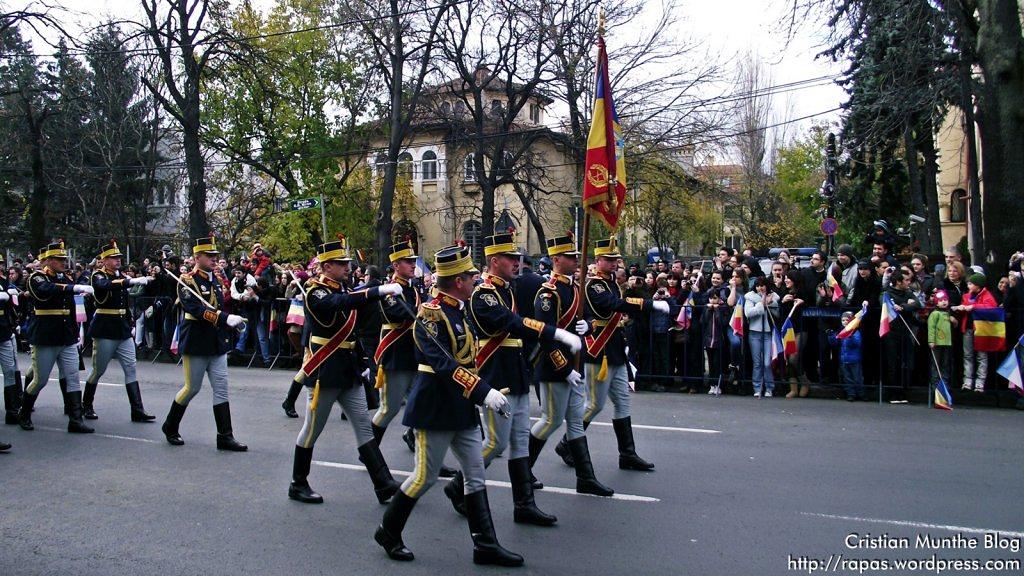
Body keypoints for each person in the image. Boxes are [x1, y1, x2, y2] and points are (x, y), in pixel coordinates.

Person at [374, 244, 524, 567]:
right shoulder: (430, 316)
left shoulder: (461, 309)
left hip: (461, 407)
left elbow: (469, 357)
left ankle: (485, 544)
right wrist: (484, 392)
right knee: (424, 477)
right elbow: (444, 365)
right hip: (436, 408)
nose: (474, 279)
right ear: (458, 281)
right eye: (470, 276)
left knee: (474, 474)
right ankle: (388, 530)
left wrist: (482, 390)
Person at [446, 232, 580, 527]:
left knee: (519, 440)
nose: (516, 262)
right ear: (495, 262)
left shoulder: (507, 291)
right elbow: (511, 323)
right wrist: (552, 332)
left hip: (515, 370)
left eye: (516, 258)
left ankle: (525, 505)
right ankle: (458, 486)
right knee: (495, 442)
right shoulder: (483, 295)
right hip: (496, 371)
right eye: (509, 258)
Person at [287, 235, 404, 505]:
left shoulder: (342, 288)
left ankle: (383, 483)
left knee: (363, 424)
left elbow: (353, 322)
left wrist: (363, 363)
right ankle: (298, 482)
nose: (347, 267)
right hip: (325, 370)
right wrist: (376, 291)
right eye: (341, 263)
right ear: (326, 266)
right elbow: (338, 305)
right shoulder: (316, 291)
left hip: (348, 368)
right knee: (312, 428)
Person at [528, 235, 613, 496]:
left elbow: (586, 315)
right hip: (555, 367)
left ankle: (585, 477)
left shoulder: (575, 288)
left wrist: (587, 324)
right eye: (571, 256)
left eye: (577, 256)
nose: (577, 260)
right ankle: (523, 470)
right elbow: (545, 335)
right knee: (551, 421)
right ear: (556, 260)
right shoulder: (547, 292)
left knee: (576, 421)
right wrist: (565, 369)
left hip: (575, 363)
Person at [576, 237, 669, 471]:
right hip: (599, 349)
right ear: (598, 260)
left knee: (622, 400)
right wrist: (649, 305)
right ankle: (568, 443)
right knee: (594, 404)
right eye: (608, 259)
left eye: (615, 259)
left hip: (614, 348)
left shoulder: (611, 282)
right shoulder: (594, 284)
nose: (614, 262)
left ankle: (627, 454)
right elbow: (613, 304)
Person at [160, 236, 248, 450]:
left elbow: (218, 304)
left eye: (215, 255)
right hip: (196, 339)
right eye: (209, 256)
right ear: (196, 257)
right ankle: (170, 425)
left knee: (221, 388)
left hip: (215, 340)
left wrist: (228, 320)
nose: (214, 259)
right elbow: (196, 310)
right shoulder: (187, 281)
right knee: (192, 387)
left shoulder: (216, 280)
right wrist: (224, 318)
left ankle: (225, 436)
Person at [18, 241, 95, 433]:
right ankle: (24, 412)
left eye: (63, 258)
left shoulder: (64, 278)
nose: (63, 262)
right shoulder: (37, 278)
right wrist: (72, 289)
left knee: (72, 376)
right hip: (45, 335)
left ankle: (75, 420)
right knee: (40, 379)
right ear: (49, 261)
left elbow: (69, 300)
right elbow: (46, 291)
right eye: (59, 259)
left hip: (66, 335)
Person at [82, 240, 156, 422]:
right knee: (98, 370)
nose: (117, 261)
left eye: (119, 258)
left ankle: (137, 409)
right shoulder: (98, 275)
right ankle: (86, 405)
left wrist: (130, 324)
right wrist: (130, 281)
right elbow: (105, 286)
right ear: (104, 260)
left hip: (121, 328)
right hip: (105, 327)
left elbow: (125, 302)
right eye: (114, 258)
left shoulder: (120, 275)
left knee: (131, 367)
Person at [370, 240, 422, 445]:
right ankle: (370, 452)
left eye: (413, 260)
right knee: (388, 409)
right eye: (407, 261)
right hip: (396, 355)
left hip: (415, 355)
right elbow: (402, 312)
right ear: (396, 265)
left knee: (421, 405)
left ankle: (422, 450)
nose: (412, 264)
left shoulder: (414, 289)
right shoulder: (389, 290)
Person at [881, 269, 921, 403]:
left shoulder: (908, 292)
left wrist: (904, 307)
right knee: (893, 363)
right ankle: (893, 392)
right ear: (898, 282)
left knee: (905, 363)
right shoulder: (887, 293)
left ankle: (903, 392)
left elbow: (917, 304)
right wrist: (906, 304)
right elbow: (885, 304)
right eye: (906, 280)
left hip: (905, 331)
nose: (909, 283)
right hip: (891, 332)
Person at [954, 273, 998, 392]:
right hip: (967, 328)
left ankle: (980, 382)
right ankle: (967, 381)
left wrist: (973, 306)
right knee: (967, 355)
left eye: (971, 283)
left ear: (978, 286)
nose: (968, 285)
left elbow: (991, 307)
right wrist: (961, 308)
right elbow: (964, 306)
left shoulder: (987, 295)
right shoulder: (966, 296)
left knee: (981, 355)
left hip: (981, 330)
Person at [744, 277, 778, 398]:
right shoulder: (750, 297)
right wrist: (761, 304)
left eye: (762, 285)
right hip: (754, 332)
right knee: (757, 362)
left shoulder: (774, 296)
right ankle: (757, 387)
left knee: (767, 362)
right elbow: (748, 313)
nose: (760, 288)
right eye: (758, 285)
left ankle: (769, 387)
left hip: (768, 333)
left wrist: (770, 303)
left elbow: (777, 313)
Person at [831, 311, 864, 401]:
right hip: (844, 360)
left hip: (854, 360)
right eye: (843, 320)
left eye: (847, 320)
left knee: (857, 378)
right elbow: (834, 343)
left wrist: (850, 337)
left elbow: (857, 343)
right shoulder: (841, 332)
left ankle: (860, 393)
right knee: (847, 378)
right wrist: (831, 336)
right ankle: (851, 394)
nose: (845, 322)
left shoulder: (855, 332)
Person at [928, 290, 955, 393]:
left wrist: (954, 321)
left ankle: (945, 388)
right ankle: (935, 389)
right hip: (937, 343)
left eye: (945, 300)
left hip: (947, 343)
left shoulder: (948, 314)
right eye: (941, 300)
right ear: (936, 302)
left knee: (945, 366)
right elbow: (931, 328)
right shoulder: (935, 314)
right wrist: (931, 341)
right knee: (936, 366)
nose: (944, 302)